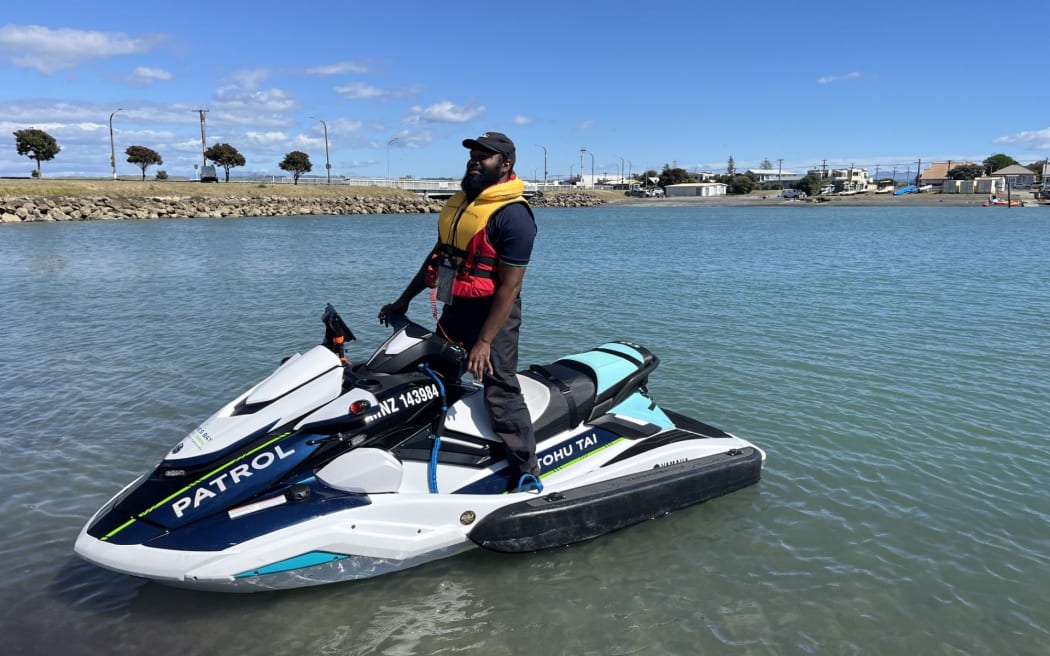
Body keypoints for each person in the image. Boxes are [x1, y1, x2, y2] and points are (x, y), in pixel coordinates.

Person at [378, 131, 540, 492]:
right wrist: (405, 300)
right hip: (457, 306)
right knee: (437, 369)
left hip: (493, 315)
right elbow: (438, 257)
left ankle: (526, 469)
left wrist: (484, 341)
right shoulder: (461, 204)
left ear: (506, 165)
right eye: (473, 155)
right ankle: (439, 443)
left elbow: (509, 287)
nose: (475, 161)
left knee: (499, 387)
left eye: (485, 156)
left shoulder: (513, 217)